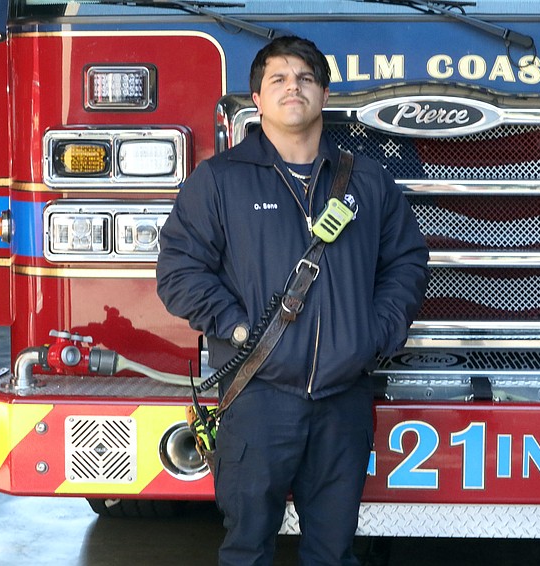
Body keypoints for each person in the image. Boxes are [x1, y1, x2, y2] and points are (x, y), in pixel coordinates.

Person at [156, 35, 429, 566]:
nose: (292, 88)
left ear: (323, 94)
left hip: (343, 401)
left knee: (333, 551)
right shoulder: (219, 181)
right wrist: (238, 330)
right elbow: (178, 271)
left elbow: (407, 263)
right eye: (277, 79)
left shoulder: (368, 182)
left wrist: (372, 335)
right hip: (257, 398)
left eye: (304, 78)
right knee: (246, 549)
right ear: (257, 99)